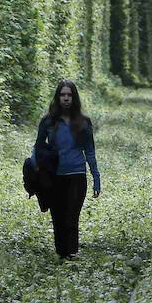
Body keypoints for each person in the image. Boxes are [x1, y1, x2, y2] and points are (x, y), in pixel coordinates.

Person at [33, 78, 101, 259]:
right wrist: (35, 170)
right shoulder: (48, 122)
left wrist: (96, 178)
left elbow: (90, 151)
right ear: (57, 97)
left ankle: (72, 251)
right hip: (55, 175)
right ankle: (62, 253)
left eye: (69, 95)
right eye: (62, 95)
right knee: (58, 216)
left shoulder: (84, 122)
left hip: (77, 175)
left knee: (71, 215)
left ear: (74, 98)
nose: (65, 98)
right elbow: (38, 147)